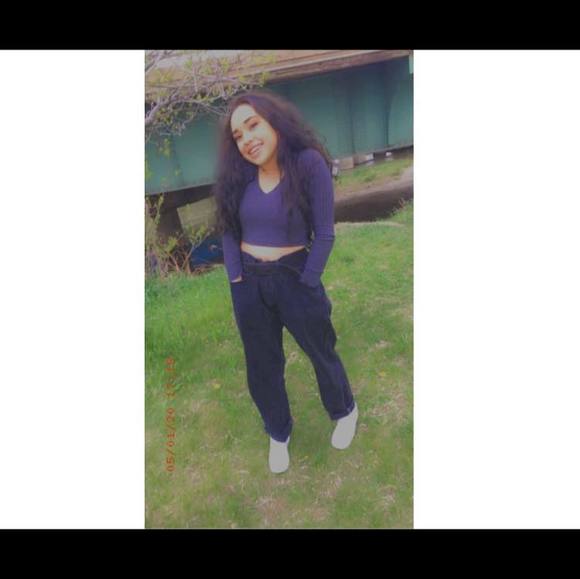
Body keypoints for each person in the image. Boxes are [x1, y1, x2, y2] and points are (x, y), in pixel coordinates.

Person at [212, 89, 358, 474]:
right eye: (238, 135)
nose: (247, 139)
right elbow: (228, 230)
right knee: (262, 363)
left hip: (295, 276)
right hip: (248, 281)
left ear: (273, 121)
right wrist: (236, 279)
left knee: (320, 349)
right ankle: (278, 432)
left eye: (253, 125)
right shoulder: (239, 175)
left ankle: (344, 410)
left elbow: (324, 233)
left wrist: (308, 281)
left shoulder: (308, 163)